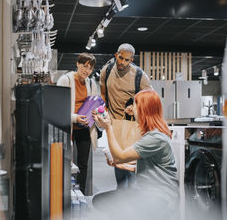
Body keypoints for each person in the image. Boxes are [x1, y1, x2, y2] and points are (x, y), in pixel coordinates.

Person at [94, 89, 179, 204]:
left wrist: (108, 128)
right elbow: (151, 167)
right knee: (103, 200)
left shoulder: (155, 138)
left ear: (143, 109)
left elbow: (119, 156)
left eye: (134, 106)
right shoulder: (154, 133)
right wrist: (122, 165)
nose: (132, 110)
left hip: (159, 197)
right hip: (152, 193)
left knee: (101, 202)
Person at [99, 43, 152, 190]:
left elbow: (150, 97)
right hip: (114, 125)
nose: (122, 62)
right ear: (116, 55)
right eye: (120, 58)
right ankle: (121, 197)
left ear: (132, 59)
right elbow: (103, 91)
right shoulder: (107, 70)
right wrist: (105, 109)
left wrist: (135, 105)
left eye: (126, 60)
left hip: (132, 126)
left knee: (131, 168)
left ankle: (132, 202)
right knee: (117, 164)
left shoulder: (140, 75)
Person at [57, 53, 99, 195]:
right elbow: (57, 108)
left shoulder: (91, 83)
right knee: (64, 162)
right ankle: (63, 193)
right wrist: (75, 118)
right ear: (77, 64)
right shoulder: (65, 80)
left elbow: (95, 105)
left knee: (83, 164)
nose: (86, 70)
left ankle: (80, 193)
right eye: (84, 66)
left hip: (84, 128)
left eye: (90, 68)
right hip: (67, 127)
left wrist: (96, 114)